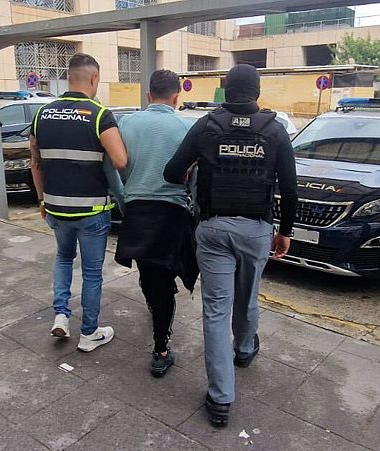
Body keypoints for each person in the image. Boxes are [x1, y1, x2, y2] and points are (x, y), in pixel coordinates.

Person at [164, 64, 297, 427]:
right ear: (257, 92)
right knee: (248, 294)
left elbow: (171, 172)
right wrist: (285, 231)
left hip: (213, 229)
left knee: (215, 310)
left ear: (225, 90)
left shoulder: (206, 125)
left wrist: (196, 165)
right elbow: (290, 189)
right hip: (256, 230)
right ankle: (245, 349)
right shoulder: (275, 130)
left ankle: (220, 398)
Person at [29, 53, 128, 353]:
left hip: (56, 207)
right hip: (91, 211)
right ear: (94, 78)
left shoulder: (42, 114)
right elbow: (120, 161)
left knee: (63, 258)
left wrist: (42, 200)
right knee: (92, 273)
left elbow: (35, 162)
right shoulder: (99, 115)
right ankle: (89, 333)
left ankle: (61, 314)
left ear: (68, 77)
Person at [109, 70, 199, 377]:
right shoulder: (187, 127)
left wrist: (124, 201)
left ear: (148, 95)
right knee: (162, 280)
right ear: (176, 97)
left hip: (137, 211)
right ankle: (161, 349)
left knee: (149, 275)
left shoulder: (126, 123)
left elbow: (113, 167)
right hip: (171, 214)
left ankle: (157, 309)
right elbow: (195, 179)